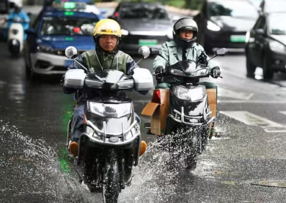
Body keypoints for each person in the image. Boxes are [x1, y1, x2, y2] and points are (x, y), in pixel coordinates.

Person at [62, 19, 147, 157]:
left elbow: (137, 73)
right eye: (105, 37)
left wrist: (141, 80)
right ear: (97, 39)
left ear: (118, 40)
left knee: (135, 118)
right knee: (78, 115)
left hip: (119, 102)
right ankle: (77, 144)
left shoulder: (126, 59)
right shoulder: (85, 58)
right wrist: (68, 80)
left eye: (113, 37)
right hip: (90, 100)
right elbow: (72, 73)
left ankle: (134, 145)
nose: (109, 41)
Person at [153, 17, 221, 133]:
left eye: (190, 32)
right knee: (161, 88)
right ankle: (161, 127)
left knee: (211, 87)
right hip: (173, 82)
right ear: (177, 33)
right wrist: (160, 67)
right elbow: (160, 59)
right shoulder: (167, 47)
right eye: (184, 32)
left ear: (194, 34)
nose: (187, 35)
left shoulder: (198, 48)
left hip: (193, 84)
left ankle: (210, 127)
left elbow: (207, 61)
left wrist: (214, 68)